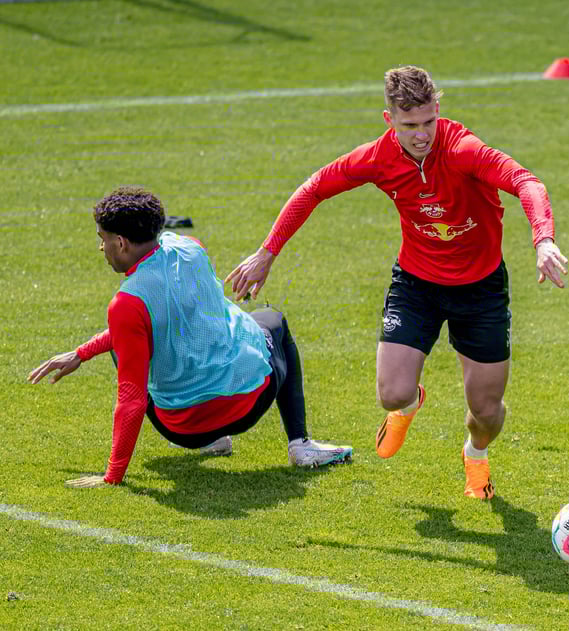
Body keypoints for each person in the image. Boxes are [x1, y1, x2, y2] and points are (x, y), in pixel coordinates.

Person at [226, 66, 568, 500]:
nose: (422, 134)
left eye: (428, 122)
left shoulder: (464, 149)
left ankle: (476, 455)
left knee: (485, 410)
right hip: (416, 284)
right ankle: (410, 403)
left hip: (480, 289)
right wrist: (267, 252)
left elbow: (526, 182)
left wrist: (544, 240)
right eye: (410, 126)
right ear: (390, 121)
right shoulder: (377, 157)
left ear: (438, 111)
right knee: (392, 393)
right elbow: (313, 189)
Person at [28, 186, 352, 488]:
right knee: (273, 320)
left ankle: (214, 441)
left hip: (186, 430)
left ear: (122, 243)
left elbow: (132, 398)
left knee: (124, 346)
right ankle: (300, 444)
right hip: (252, 403)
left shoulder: (127, 302)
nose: (102, 247)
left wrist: (112, 475)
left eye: (103, 239)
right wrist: (81, 353)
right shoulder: (192, 249)